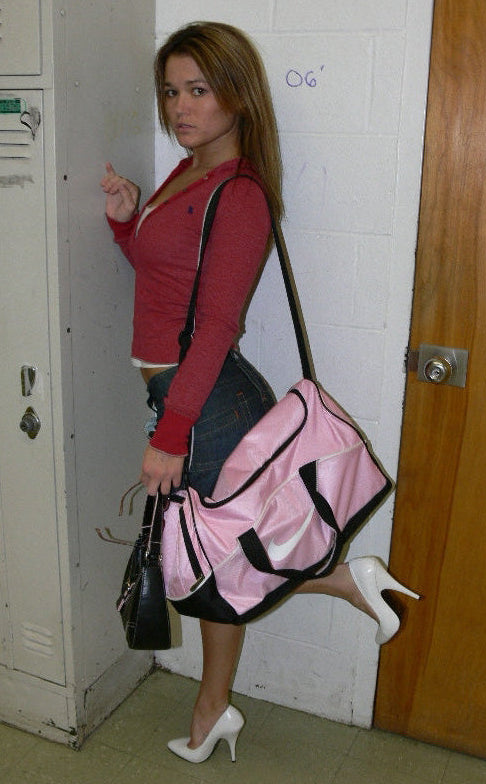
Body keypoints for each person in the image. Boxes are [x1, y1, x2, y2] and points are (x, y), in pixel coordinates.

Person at [101, 21, 419, 765]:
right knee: (219, 555)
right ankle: (225, 699)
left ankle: (331, 592)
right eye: (171, 91)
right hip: (191, 398)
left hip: (207, 402)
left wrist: (170, 435)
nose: (181, 107)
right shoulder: (187, 173)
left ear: (237, 96)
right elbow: (166, 281)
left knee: (212, 560)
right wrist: (125, 224)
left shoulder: (239, 193)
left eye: (199, 90)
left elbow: (215, 326)